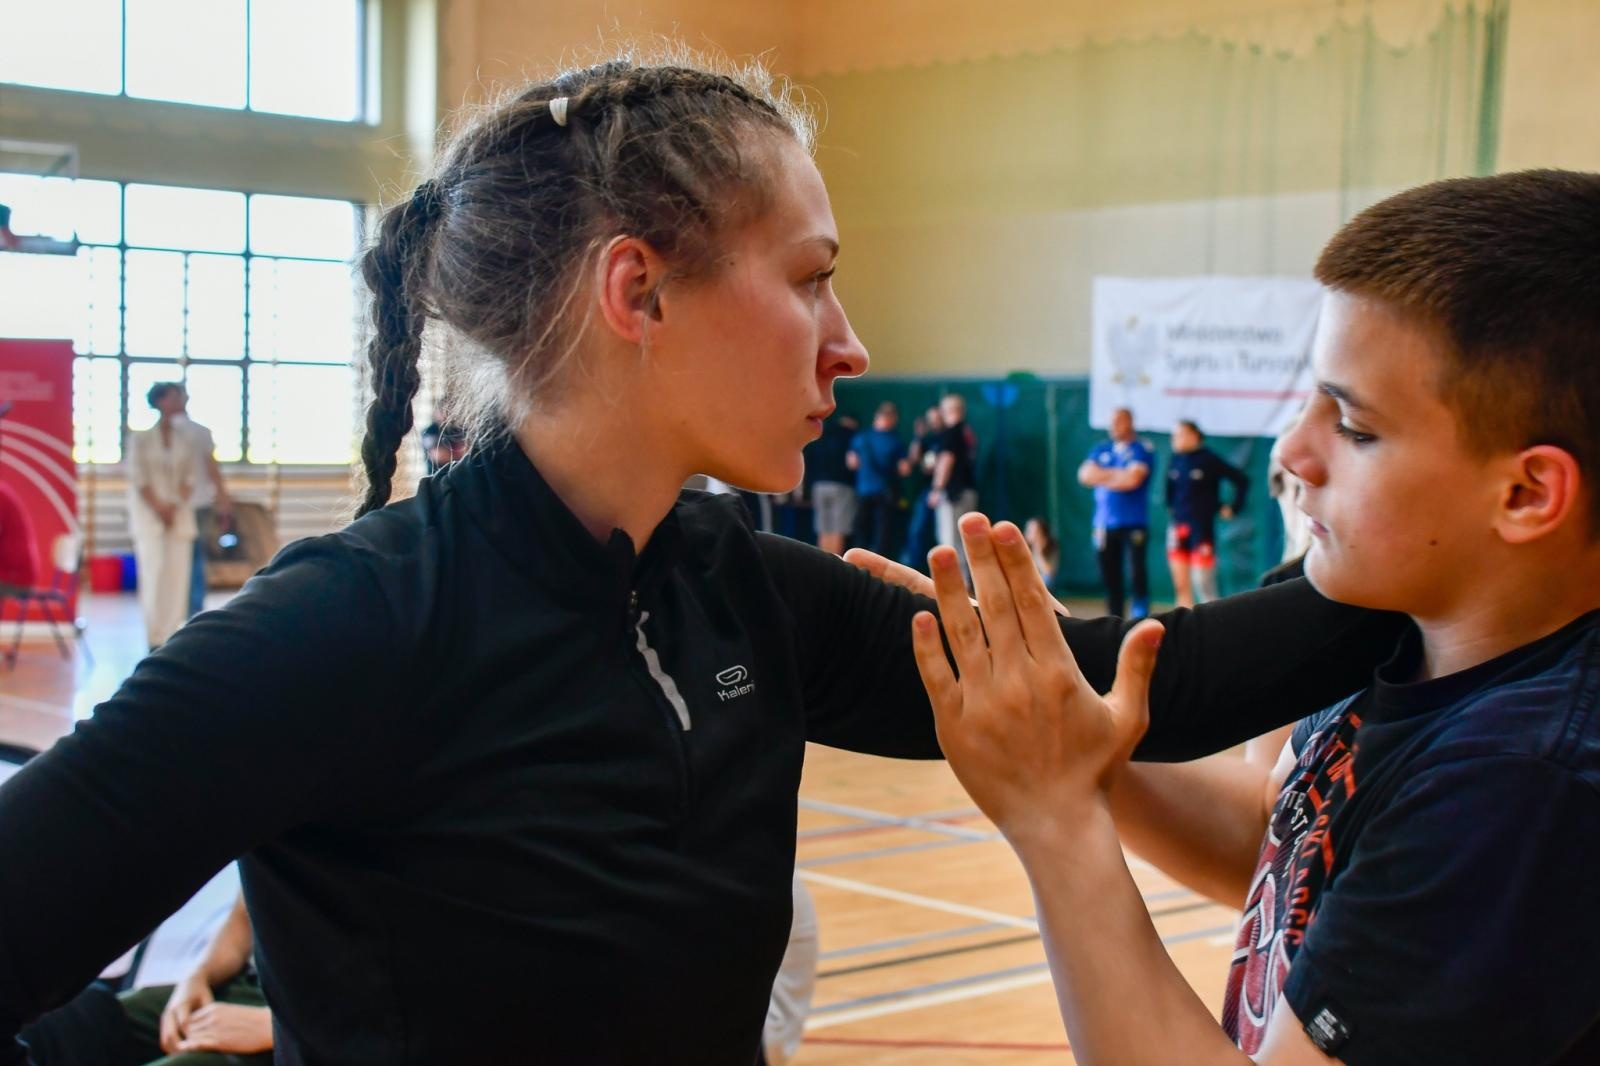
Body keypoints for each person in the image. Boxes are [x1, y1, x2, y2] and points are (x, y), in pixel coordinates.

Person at [0, 55, 1404, 1066]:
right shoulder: (350, 628)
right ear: (639, 290)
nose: (849, 340)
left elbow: (1154, 676)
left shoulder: (731, 581)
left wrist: (1447, 545)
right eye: (810, 278)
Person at [903, 170, 1600, 1064]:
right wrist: (1079, 750)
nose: (1292, 452)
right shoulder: (1404, 626)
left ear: (1527, 492)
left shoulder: (1522, 781)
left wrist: (1055, 817)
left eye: (1354, 426)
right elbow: (1289, 853)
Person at [20, 892, 272, 1065]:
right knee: (51, 1032)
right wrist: (198, 976)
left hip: (298, 1023)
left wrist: (268, 1028)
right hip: (255, 984)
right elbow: (244, 915)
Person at [126, 383, 197, 649]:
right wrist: (159, 508)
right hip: (150, 518)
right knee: (154, 575)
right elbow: (139, 478)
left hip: (179, 518)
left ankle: (172, 635)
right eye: (174, 396)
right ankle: (153, 637)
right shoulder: (141, 440)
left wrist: (174, 505)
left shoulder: (184, 439)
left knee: (177, 578)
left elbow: (189, 478)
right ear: (160, 401)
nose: (179, 400)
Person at [161, 389, 234, 620]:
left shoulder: (199, 432)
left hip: (195, 504)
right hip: (169, 507)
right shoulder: (156, 435)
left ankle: (192, 611)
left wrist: (223, 500)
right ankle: (180, 610)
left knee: (193, 557)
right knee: (179, 558)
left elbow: (212, 468)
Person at [1077, 406, 1153, 618]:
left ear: (1130, 422)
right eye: (1112, 421)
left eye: (1119, 420)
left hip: (1133, 523)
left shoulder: (1141, 448)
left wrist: (1101, 476)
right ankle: (1114, 618)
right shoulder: (1101, 448)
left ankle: (1140, 616)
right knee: (1110, 575)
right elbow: (1084, 475)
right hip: (1103, 525)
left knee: (1136, 572)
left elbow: (1132, 480)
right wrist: (1117, 475)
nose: (1114, 425)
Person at [1164, 419, 1249, 606]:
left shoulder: (1208, 459)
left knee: (1204, 585)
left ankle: (1211, 627)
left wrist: (1233, 507)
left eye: (1180, 435)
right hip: (1177, 527)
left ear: (1194, 436)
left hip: (1201, 530)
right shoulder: (1175, 459)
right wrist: (1172, 507)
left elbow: (1241, 479)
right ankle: (1183, 627)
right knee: (1181, 585)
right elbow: (1168, 490)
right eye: (1173, 436)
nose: (1175, 440)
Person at [847, 401, 909, 558]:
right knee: (874, 531)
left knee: (875, 532)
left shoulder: (864, 437)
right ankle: (860, 562)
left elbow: (852, 463)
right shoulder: (887, 439)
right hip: (873, 490)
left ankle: (867, 564)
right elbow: (904, 469)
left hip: (878, 492)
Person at [928, 392, 978, 580]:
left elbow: (946, 460)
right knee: (965, 540)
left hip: (953, 493)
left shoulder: (949, 433)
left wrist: (937, 489)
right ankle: (965, 582)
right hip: (968, 490)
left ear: (946, 410)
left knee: (950, 539)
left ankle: (955, 583)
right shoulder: (968, 433)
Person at [804, 412, 858, 555]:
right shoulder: (852, 436)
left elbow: (808, 460)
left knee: (823, 529)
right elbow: (853, 463)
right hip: (841, 486)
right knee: (837, 529)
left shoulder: (821, 434)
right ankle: (833, 568)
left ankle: (822, 567)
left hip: (819, 486)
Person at [898, 404, 943, 570]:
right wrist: (918, 436)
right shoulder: (927, 440)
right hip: (926, 491)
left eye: (937, 418)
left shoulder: (947, 437)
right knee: (917, 530)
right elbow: (913, 461)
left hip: (944, 492)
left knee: (943, 535)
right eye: (931, 419)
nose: (934, 422)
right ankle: (913, 568)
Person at [1023, 516, 1058, 587]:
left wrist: (1038, 550)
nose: (1028, 533)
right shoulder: (1023, 547)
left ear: (1041, 533)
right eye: (1028, 530)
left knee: (1047, 578)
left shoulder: (1052, 546)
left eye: (1033, 531)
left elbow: (1048, 573)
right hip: (1027, 583)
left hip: (1042, 585)